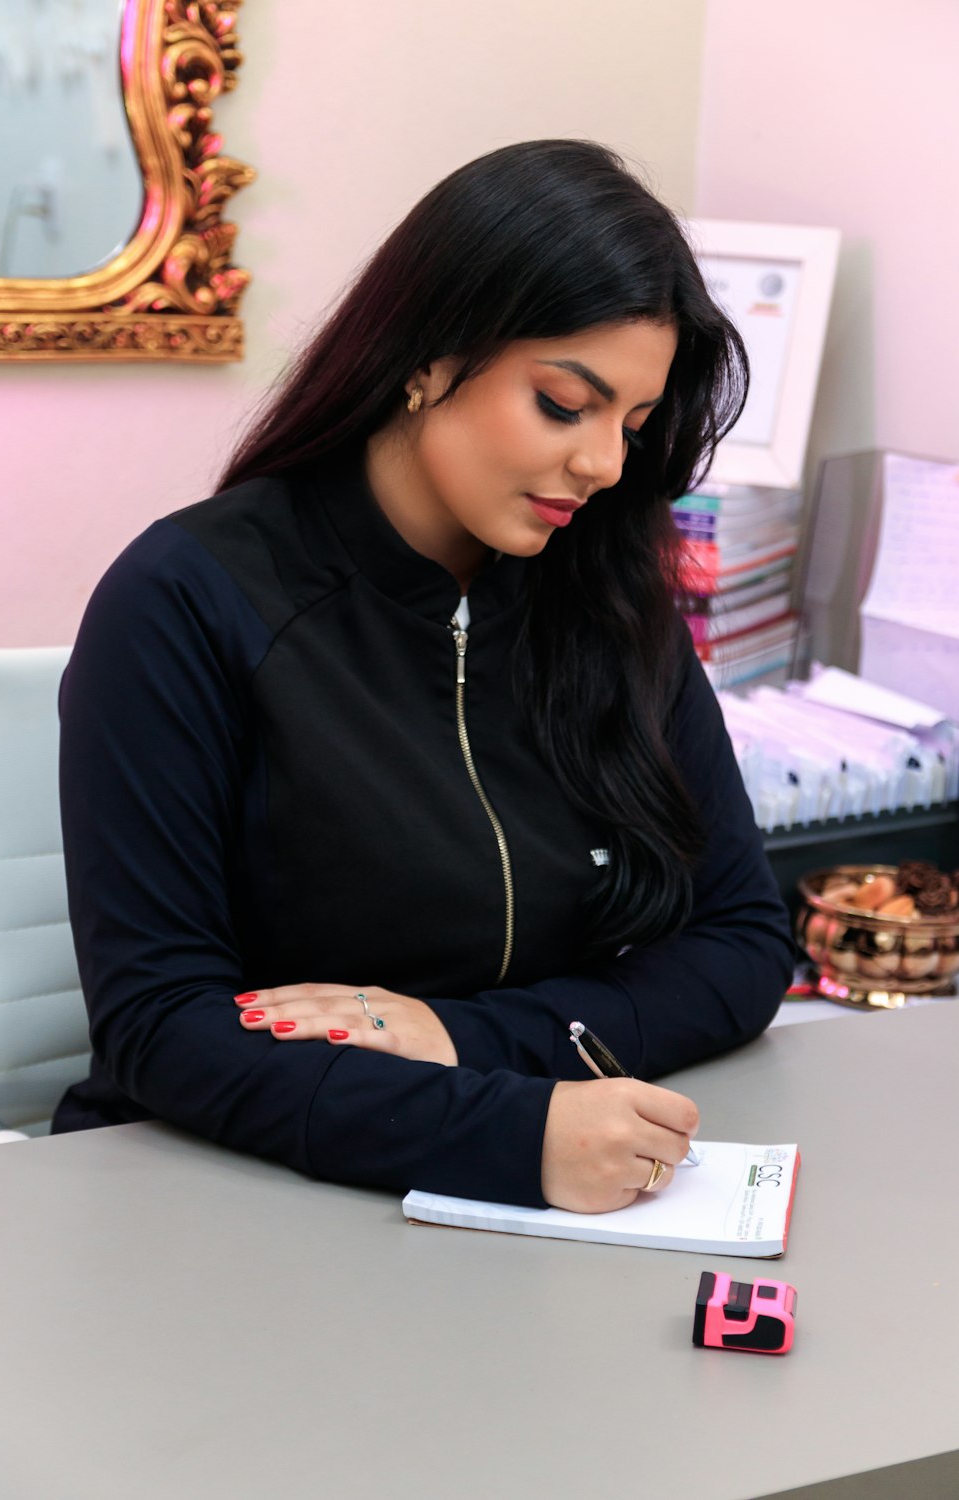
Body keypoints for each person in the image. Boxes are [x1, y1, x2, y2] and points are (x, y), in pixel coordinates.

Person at [53, 139, 796, 1213]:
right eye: (562, 404)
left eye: (631, 426)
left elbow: (741, 941)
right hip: (218, 1201)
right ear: (431, 355)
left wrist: (465, 1040)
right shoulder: (184, 599)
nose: (604, 466)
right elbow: (161, 1027)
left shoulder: (608, 599)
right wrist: (506, 1133)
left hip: (514, 1202)